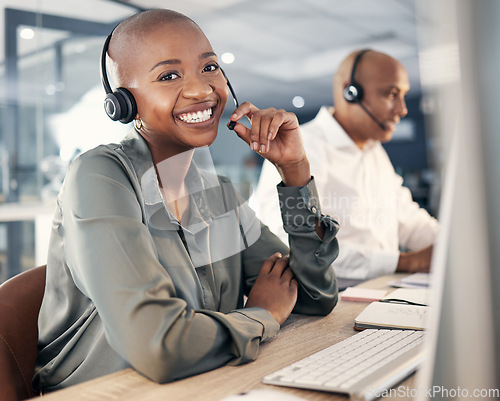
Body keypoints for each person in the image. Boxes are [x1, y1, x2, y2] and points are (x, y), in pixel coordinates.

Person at [33, 9, 340, 392]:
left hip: (206, 385)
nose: (201, 90)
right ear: (124, 103)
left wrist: (294, 171)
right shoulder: (99, 176)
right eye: (168, 76)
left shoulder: (218, 194)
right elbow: (158, 346)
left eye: (209, 68)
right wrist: (261, 314)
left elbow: (314, 297)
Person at [255, 49, 439, 280]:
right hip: (331, 301)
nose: (402, 109)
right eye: (391, 94)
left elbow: (407, 218)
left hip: (379, 290)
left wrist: (449, 242)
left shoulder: (374, 151)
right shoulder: (301, 148)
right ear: (350, 92)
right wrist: (407, 261)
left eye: (403, 95)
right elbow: (288, 242)